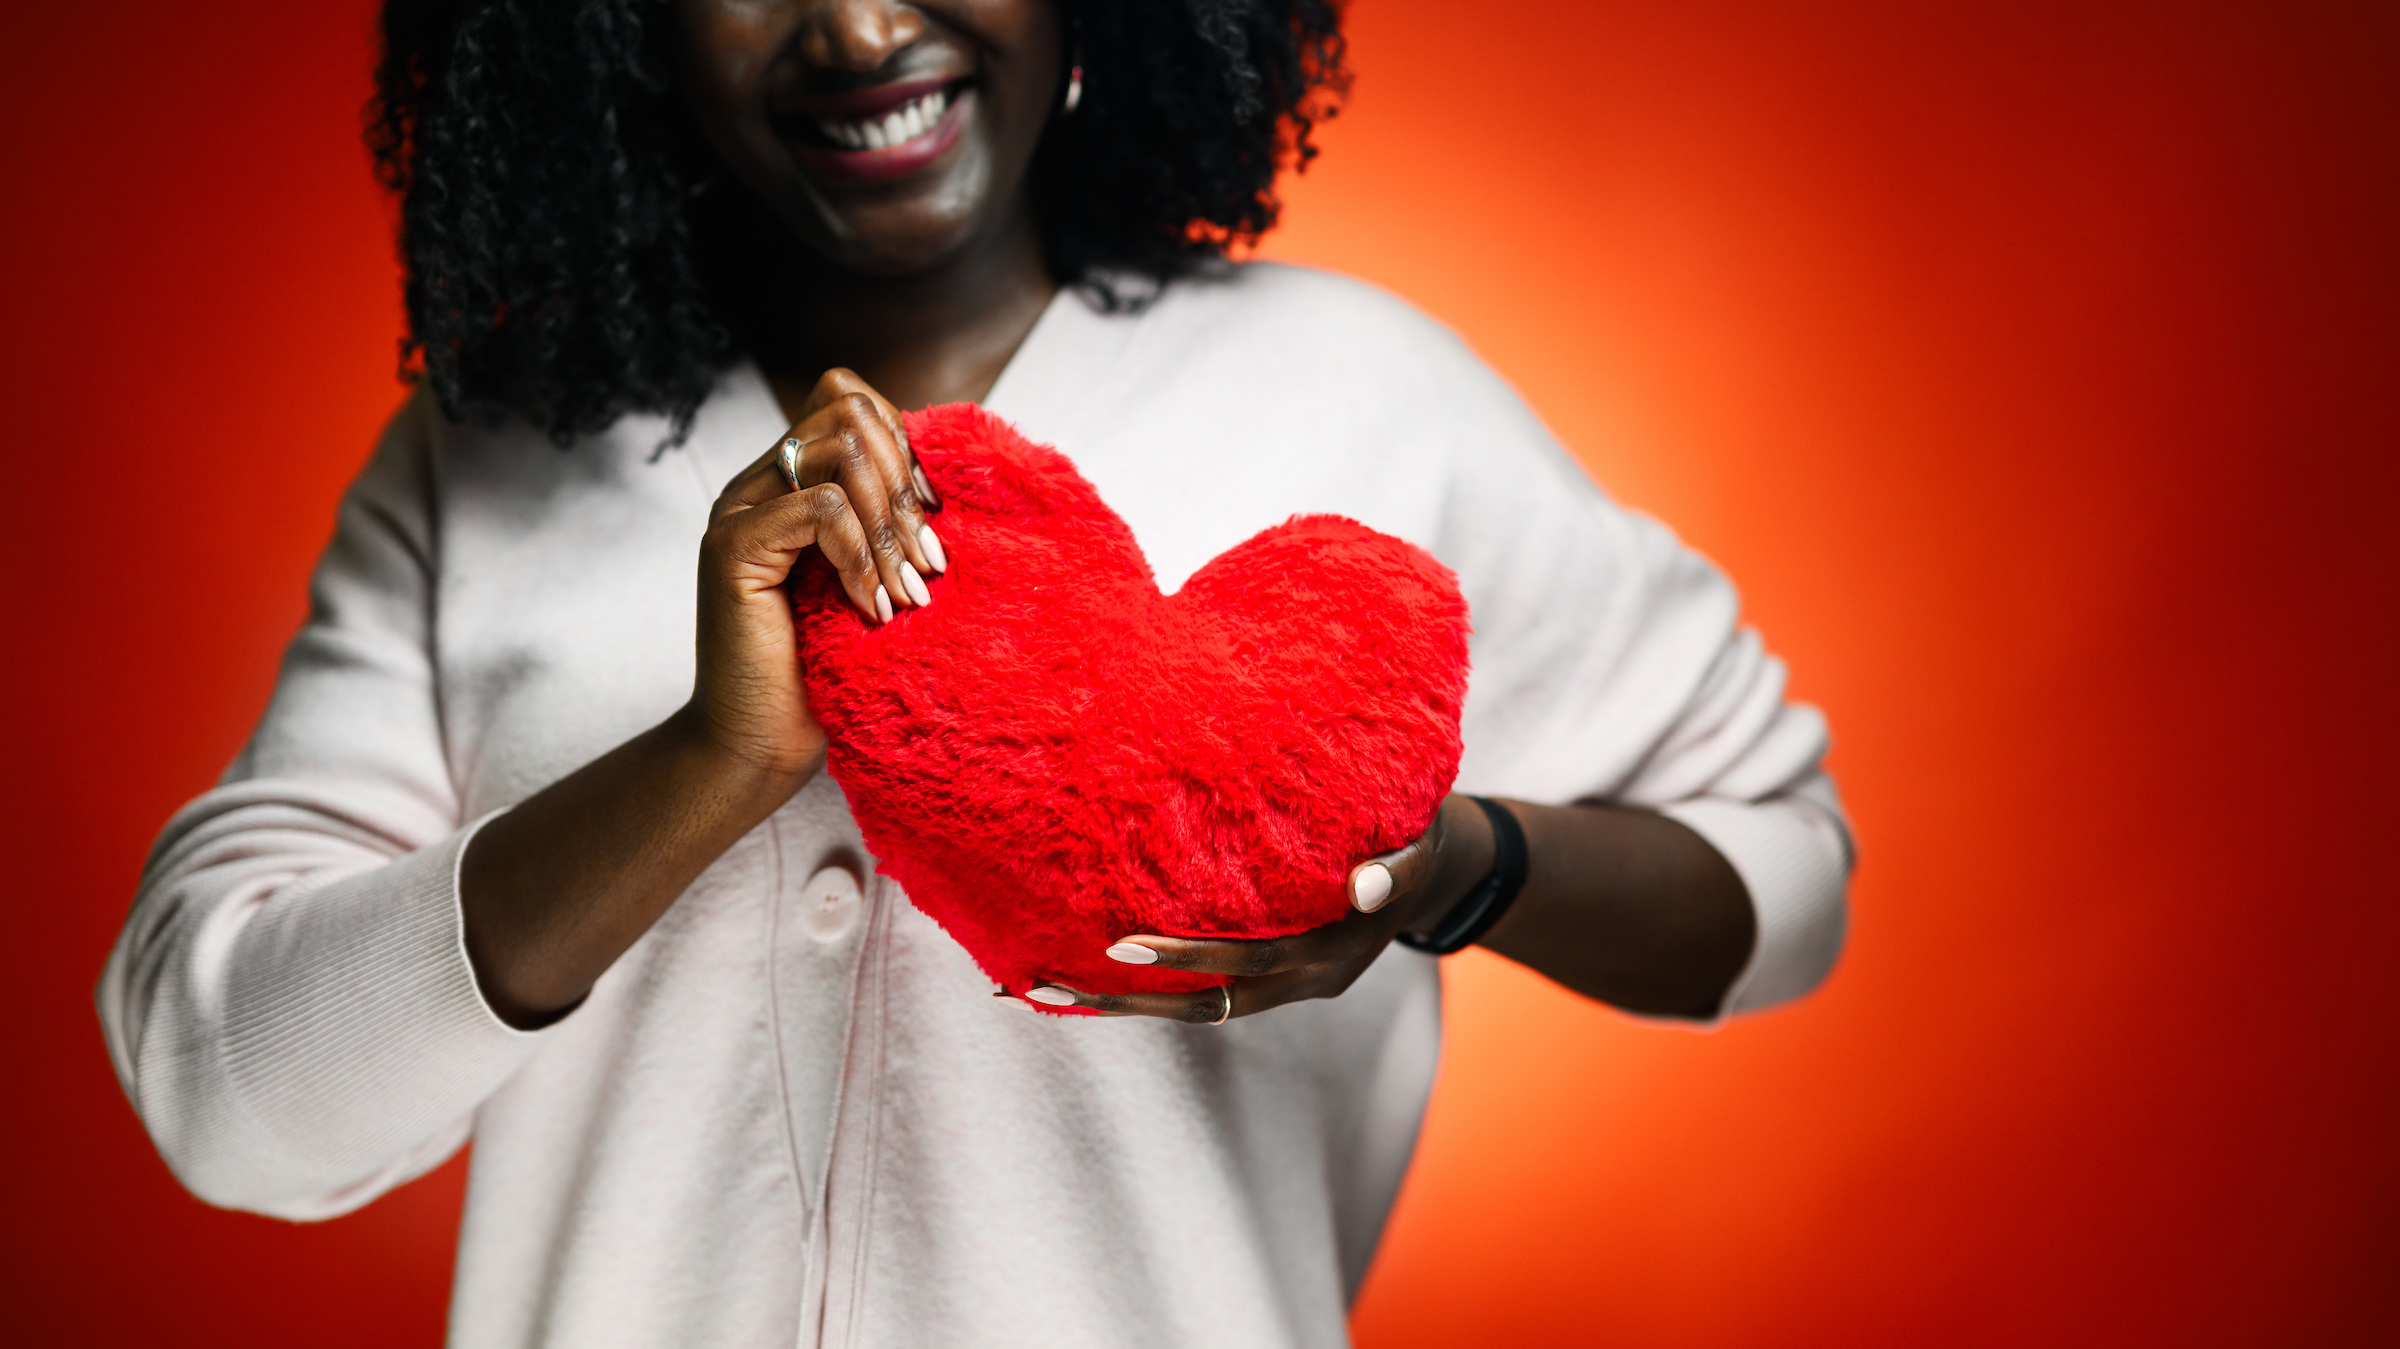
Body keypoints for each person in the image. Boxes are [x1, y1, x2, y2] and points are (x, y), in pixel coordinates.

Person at [98, 1, 1851, 1344]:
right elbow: (227, 1097)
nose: (862, 28)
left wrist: (1454, 870)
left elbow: (1782, 873)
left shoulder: (1368, 393)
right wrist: (709, 758)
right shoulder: (487, 459)